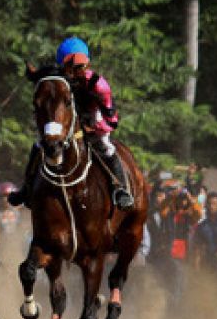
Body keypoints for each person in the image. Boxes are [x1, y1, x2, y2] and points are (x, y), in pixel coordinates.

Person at [10, 36, 133, 210]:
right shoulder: (59, 81)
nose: (77, 72)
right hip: (69, 120)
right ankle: (26, 189)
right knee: (39, 144)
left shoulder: (99, 85)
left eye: (81, 67)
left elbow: (112, 121)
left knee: (106, 146)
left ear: (88, 64)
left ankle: (120, 189)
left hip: (95, 119)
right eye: (71, 67)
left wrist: (94, 129)